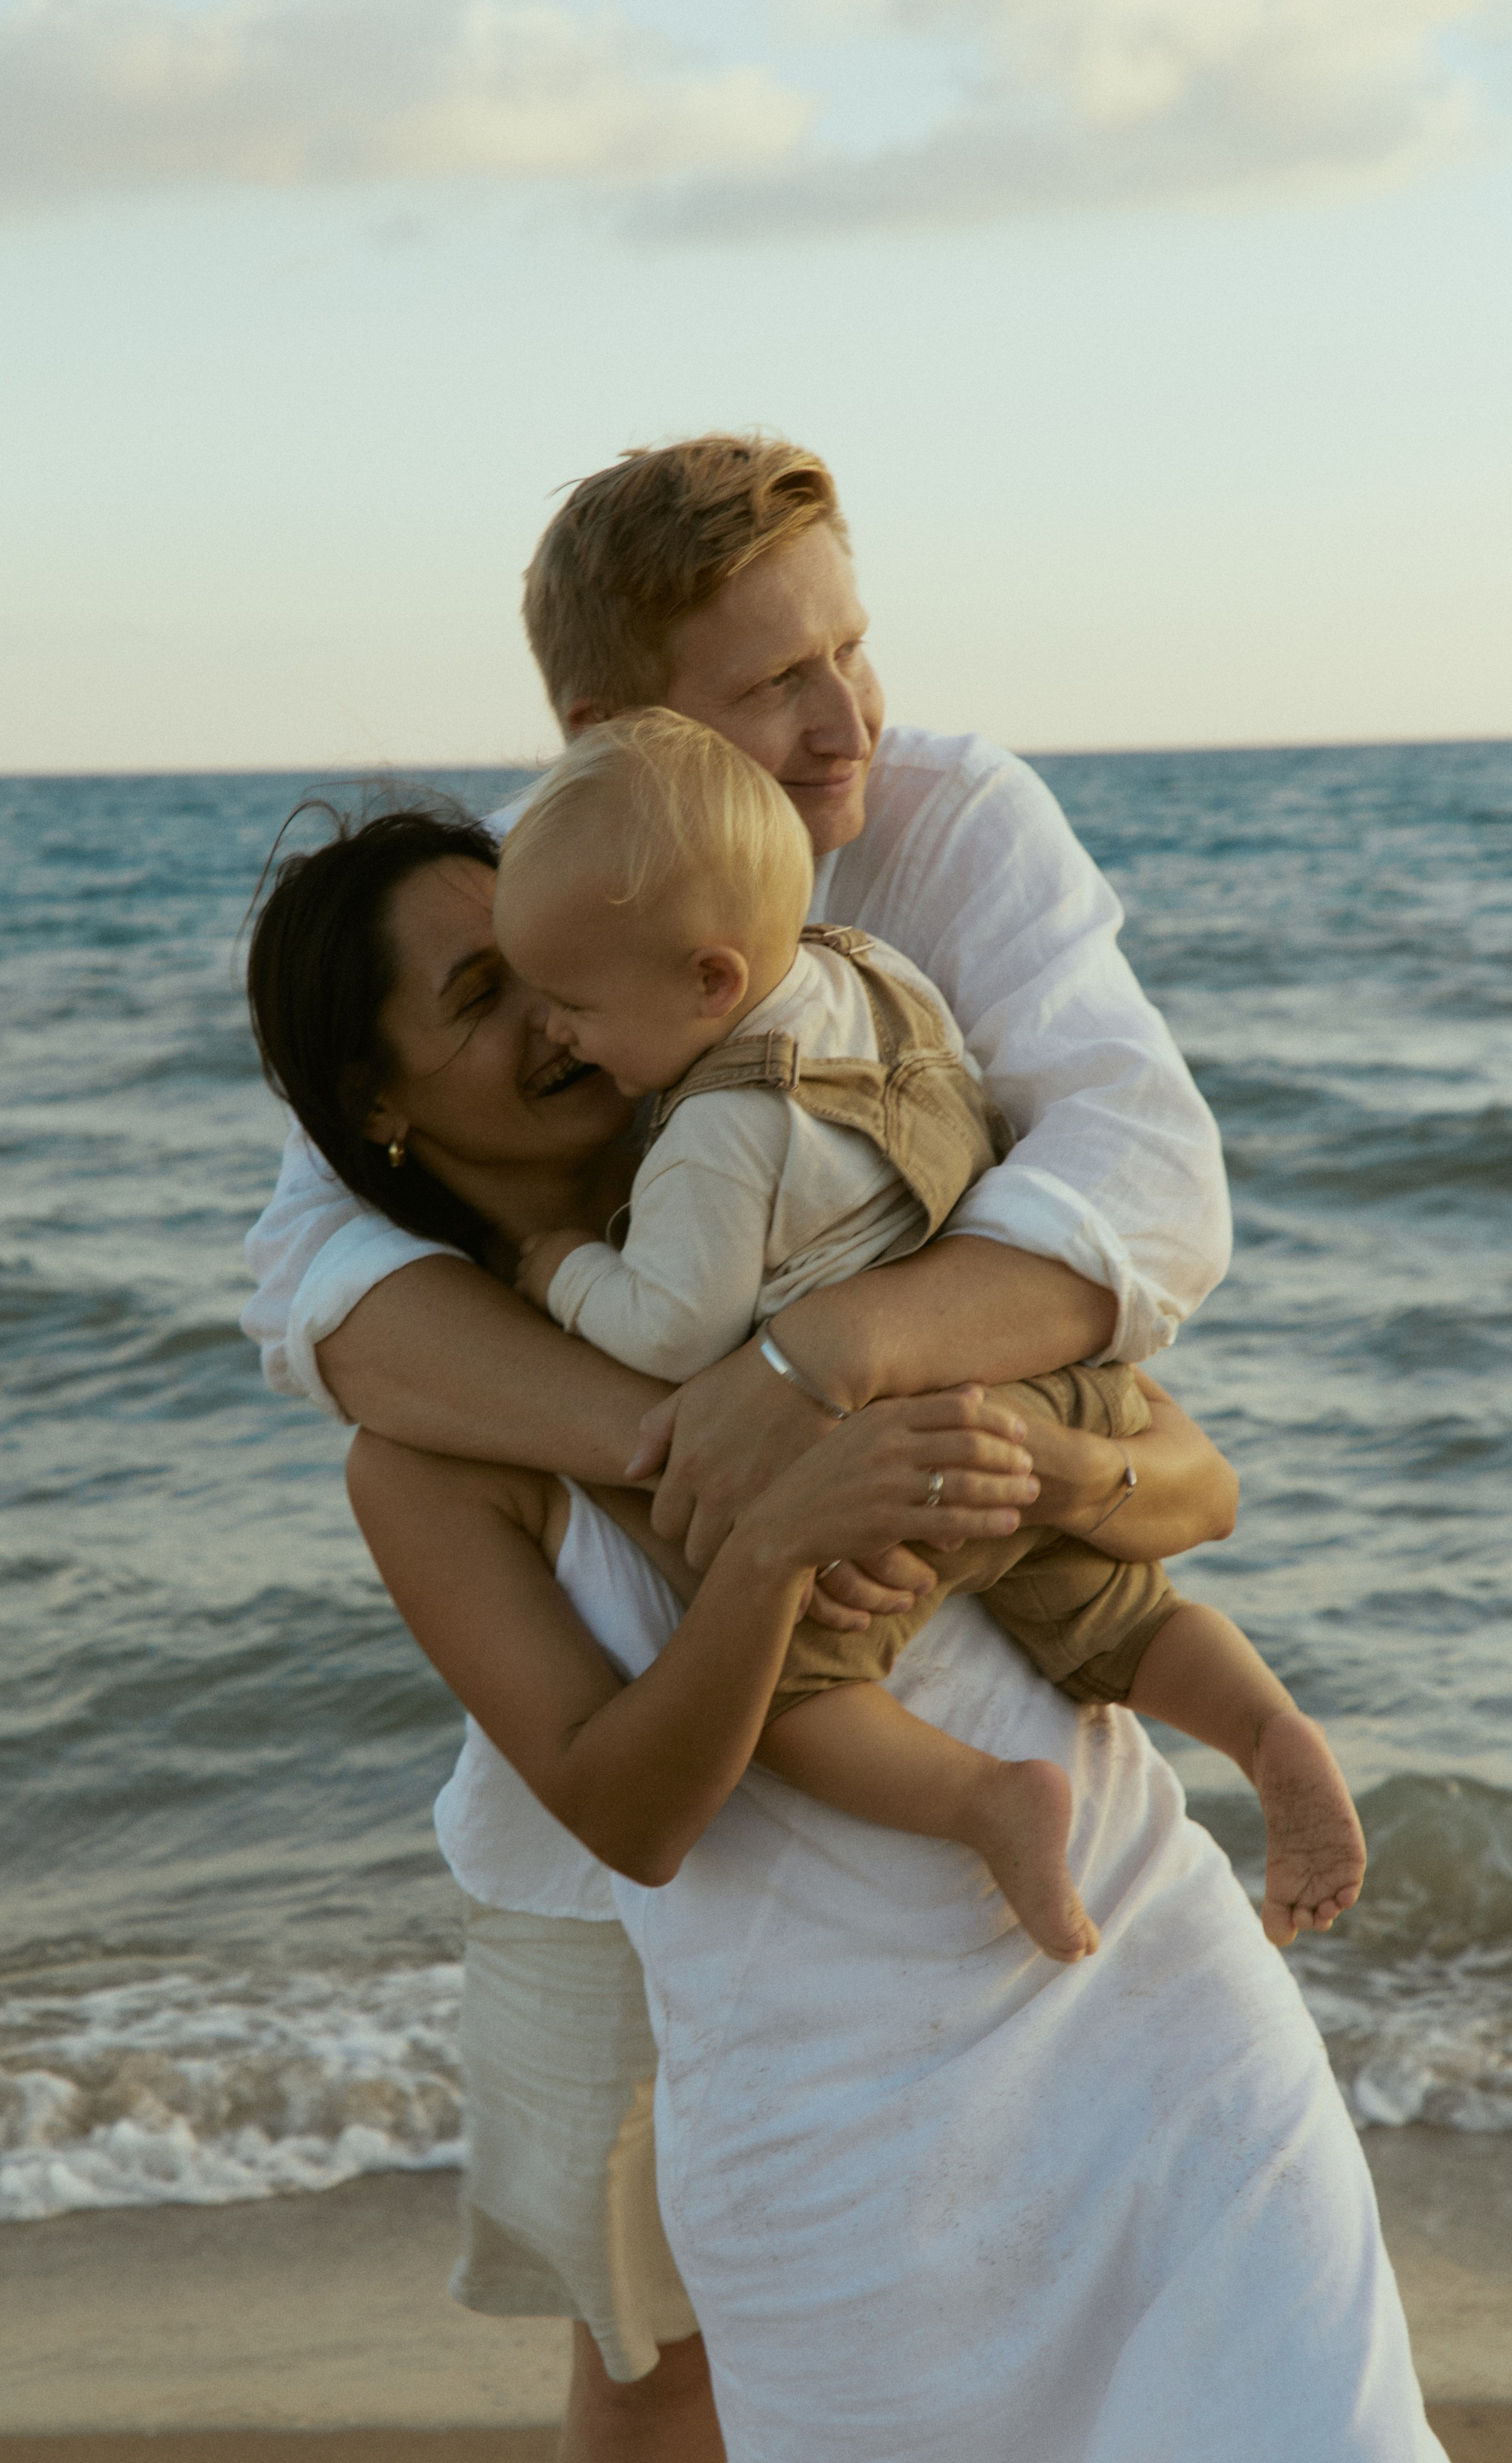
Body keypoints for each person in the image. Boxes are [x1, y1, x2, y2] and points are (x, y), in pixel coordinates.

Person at [242, 812, 1497, 2463]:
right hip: (828, 2111)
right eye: (483, 994)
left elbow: (1193, 1480)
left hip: (1145, 1985)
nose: (557, 1019)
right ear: (377, 1104)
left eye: (551, 969)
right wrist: (768, 1563)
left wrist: (1044, 1464)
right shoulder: (423, 1453)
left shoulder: (799, 1221)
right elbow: (626, 1813)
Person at [238, 434, 1235, 2463]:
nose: (843, 719)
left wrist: (819, 1372)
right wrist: (688, 1443)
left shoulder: (891, 871)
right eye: (775, 680)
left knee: (945, 2307)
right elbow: (312, 1282)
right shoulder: (544, 980)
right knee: (659, 2365)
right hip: (613, 1836)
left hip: (905, 1759)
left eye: (852, 649)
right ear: (615, 729)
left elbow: (1154, 1218)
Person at [494, 704, 1366, 1961]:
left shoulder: (713, 1134)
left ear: (709, 984)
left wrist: (561, 1267)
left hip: (893, 1460)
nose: (556, 1031)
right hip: (1039, 1381)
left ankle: (987, 1801)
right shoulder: (875, 972)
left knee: (779, 1689)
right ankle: (1267, 1728)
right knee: (1118, 1609)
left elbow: (671, 1332)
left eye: (573, 1002)